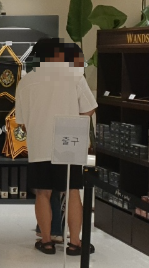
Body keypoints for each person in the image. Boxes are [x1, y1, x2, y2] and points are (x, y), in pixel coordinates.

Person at [15, 39, 97, 255]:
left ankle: (46, 241)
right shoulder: (74, 76)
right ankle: (75, 243)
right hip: (69, 141)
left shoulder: (25, 81)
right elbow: (89, 109)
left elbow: (21, 121)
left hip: (39, 143)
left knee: (43, 193)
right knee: (72, 191)